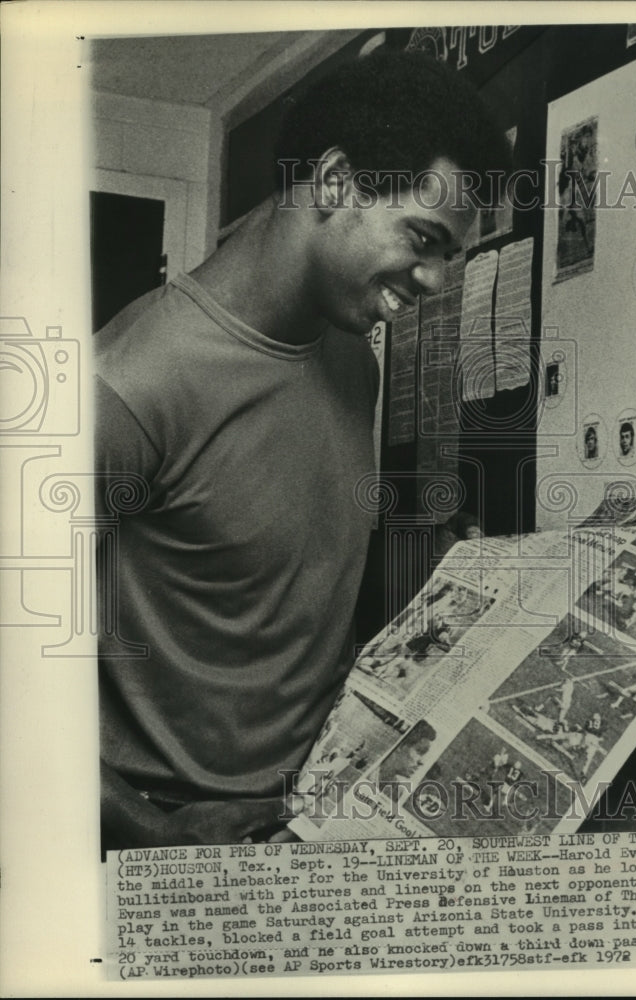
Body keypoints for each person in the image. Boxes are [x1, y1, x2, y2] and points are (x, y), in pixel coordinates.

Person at [95, 49, 511, 849]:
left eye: (447, 256)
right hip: (171, 837)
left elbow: (282, 552)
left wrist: (440, 570)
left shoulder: (352, 355)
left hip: (313, 814)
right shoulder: (129, 382)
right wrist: (146, 828)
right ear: (334, 182)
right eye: (421, 237)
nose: (432, 280)